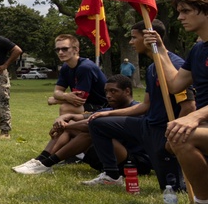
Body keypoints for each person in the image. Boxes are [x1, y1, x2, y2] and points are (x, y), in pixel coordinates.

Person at [83, 20, 194, 187]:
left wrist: (173, 137)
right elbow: (145, 105)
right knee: (97, 123)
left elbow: (189, 107)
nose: (131, 42)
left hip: (163, 130)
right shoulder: (151, 68)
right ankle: (112, 176)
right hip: (147, 125)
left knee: (173, 188)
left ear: (149, 38)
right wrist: (107, 113)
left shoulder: (174, 66)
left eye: (134, 37)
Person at [144, 0, 208, 204]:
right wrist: (160, 50)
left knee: (181, 137)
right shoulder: (198, 49)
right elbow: (174, 84)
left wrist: (194, 117)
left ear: (205, 10)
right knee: (176, 138)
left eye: (186, 11)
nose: (180, 17)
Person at [12, 75, 140, 175]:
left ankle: (47, 164)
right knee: (75, 125)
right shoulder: (111, 109)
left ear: (127, 91)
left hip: (131, 163)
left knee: (92, 128)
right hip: (107, 157)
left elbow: (93, 123)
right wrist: (64, 118)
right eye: (106, 92)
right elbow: (82, 117)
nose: (108, 96)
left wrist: (66, 126)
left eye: (113, 91)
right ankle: (40, 161)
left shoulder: (136, 109)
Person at [49, 34, 107, 114]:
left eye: (65, 49)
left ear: (76, 50)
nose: (60, 52)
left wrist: (55, 100)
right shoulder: (65, 67)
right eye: (57, 50)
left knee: (66, 108)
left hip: (103, 106)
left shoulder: (85, 67)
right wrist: (65, 96)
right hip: (87, 104)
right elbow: (57, 91)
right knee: (68, 112)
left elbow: (78, 100)